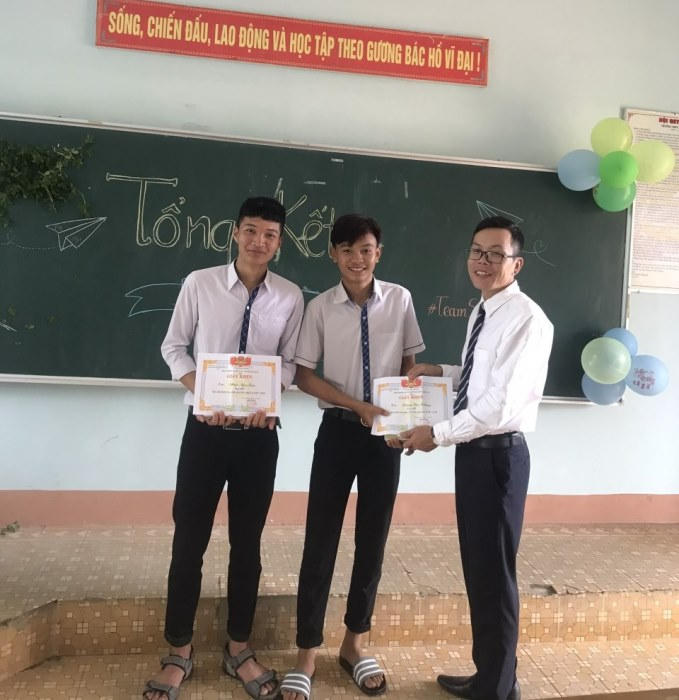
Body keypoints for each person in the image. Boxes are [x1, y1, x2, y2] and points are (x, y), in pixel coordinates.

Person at [143, 196, 304, 700]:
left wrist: (268, 399)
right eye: (251, 230)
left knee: (247, 545)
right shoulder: (200, 283)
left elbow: (291, 363)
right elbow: (173, 347)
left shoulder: (291, 296)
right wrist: (203, 393)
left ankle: (239, 648)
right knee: (188, 541)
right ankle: (179, 649)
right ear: (235, 233)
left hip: (259, 439)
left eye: (270, 234)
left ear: (279, 242)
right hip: (205, 434)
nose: (259, 241)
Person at [401, 216, 554, 700]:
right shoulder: (483, 309)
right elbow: (479, 379)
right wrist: (440, 371)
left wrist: (437, 434)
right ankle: (491, 675)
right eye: (476, 251)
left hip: (498, 459)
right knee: (480, 571)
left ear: (516, 264)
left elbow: (499, 406)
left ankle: (498, 689)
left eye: (495, 254)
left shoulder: (527, 319)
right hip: (474, 456)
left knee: (495, 577)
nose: (483, 262)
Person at [280, 214, 425, 700]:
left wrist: (407, 414)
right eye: (346, 250)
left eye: (365, 249)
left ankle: (354, 644)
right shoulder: (319, 307)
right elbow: (303, 375)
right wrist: (355, 405)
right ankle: (306, 653)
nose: (356, 259)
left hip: (384, 437)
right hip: (338, 433)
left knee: (372, 540)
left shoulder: (400, 299)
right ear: (333, 255)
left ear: (378, 253)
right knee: (320, 540)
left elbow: (409, 364)